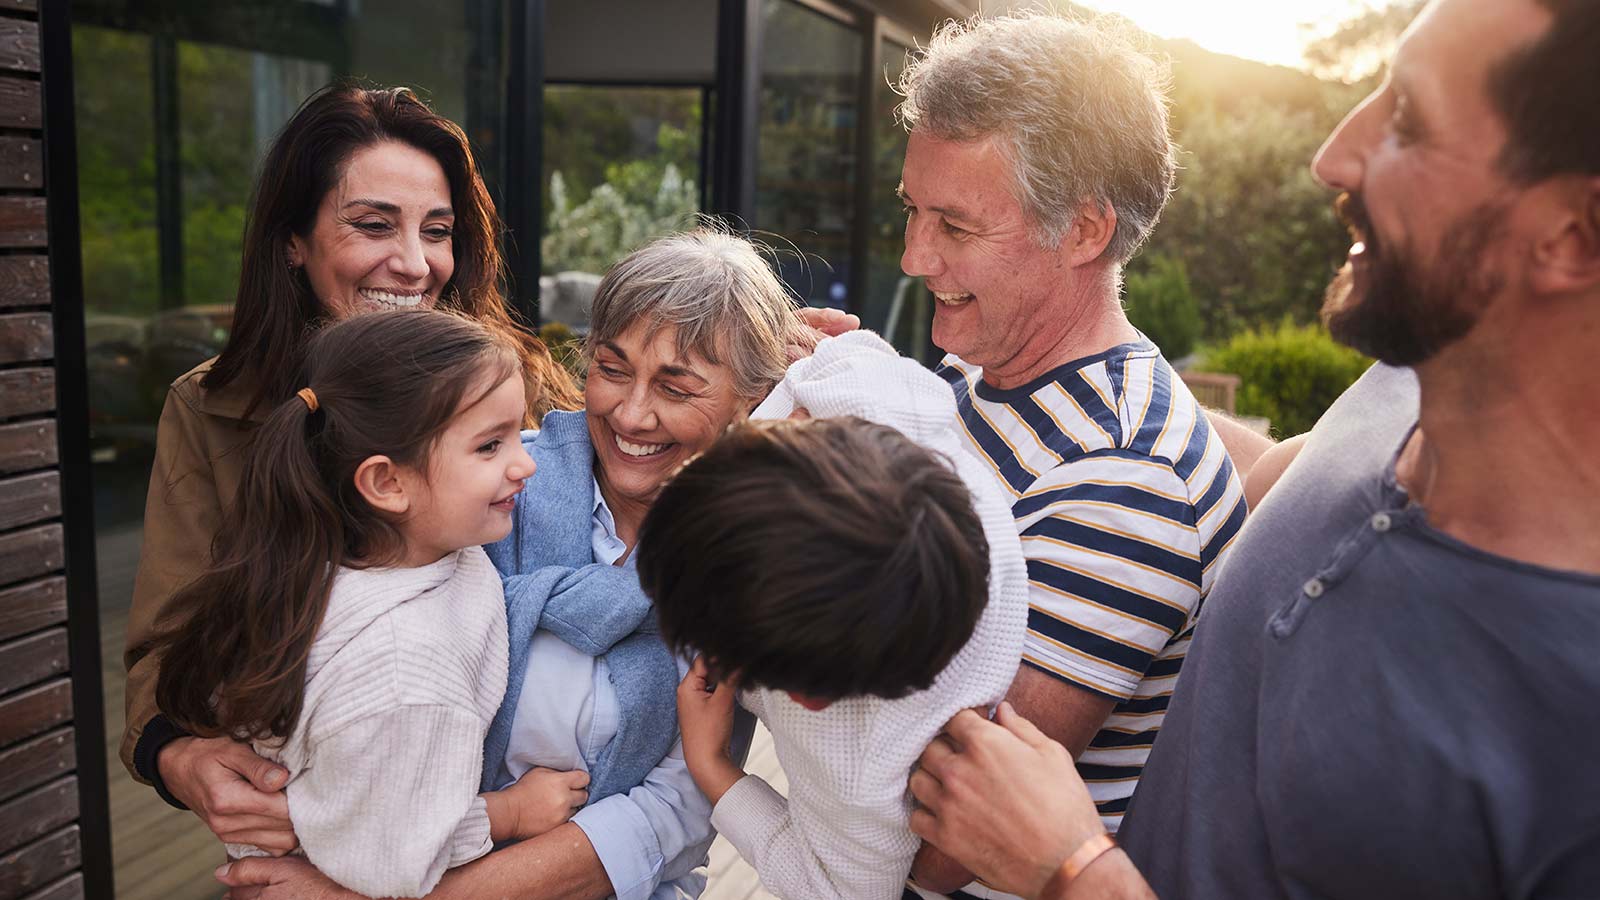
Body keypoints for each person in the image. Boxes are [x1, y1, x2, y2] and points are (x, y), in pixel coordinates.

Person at [909, 0, 1600, 897]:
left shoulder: (1568, 710)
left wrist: (1074, 868)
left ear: (1573, 235)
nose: (1332, 156)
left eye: (1408, 122)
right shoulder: (1398, 391)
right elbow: (1231, 467)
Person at [217, 227, 833, 900]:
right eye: (613, 367)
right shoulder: (488, 482)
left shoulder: (744, 565)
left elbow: (672, 811)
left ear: (752, 399)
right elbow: (318, 643)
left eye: (676, 388)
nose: (631, 413)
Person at [124, 83, 583, 853]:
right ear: (292, 241)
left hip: (522, 839)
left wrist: (749, 362)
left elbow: (646, 473)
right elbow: (166, 645)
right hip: (313, 842)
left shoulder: (521, 390)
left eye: (437, 231)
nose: (413, 264)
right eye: (373, 226)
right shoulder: (213, 408)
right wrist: (177, 753)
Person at [892, 13, 1253, 879]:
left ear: (1085, 231)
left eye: (956, 225)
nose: (913, 257)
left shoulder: (1124, 481)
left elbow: (939, 845)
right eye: (911, 210)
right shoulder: (987, 378)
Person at [146, 310, 587, 897]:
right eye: (490, 446)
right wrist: (509, 813)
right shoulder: (407, 676)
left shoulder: (356, 557)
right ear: (386, 484)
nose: (525, 463)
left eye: (515, 435)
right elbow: (393, 857)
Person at [635, 331, 1029, 900]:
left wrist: (712, 767)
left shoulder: (866, 771)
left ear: (805, 700)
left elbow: (840, 890)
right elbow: (853, 350)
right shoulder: (873, 401)